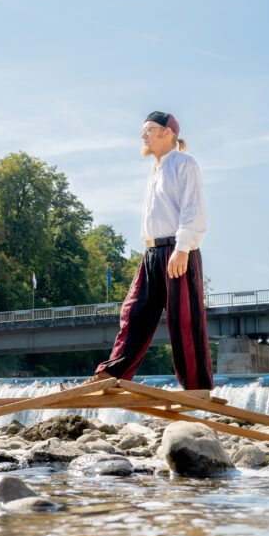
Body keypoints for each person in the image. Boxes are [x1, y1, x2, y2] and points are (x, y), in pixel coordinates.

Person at [89, 110, 213, 391]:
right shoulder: (155, 169)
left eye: (148, 129)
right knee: (134, 312)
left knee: (184, 319)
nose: (142, 135)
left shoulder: (184, 163)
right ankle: (113, 373)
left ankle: (196, 387)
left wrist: (183, 248)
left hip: (178, 249)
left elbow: (194, 209)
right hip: (152, 253)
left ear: (167, 132)